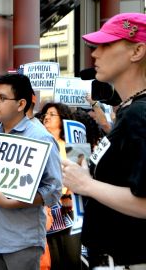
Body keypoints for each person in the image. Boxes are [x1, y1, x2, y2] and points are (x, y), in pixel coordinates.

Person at [61, 13, 146, 268]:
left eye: (106, 44)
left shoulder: (138, 114)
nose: (95, 53)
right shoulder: (130, 110)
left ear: (137, 51)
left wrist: (87, 184)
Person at [0, 74, 62, 270]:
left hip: (22, 241)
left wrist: (13, 203)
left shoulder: (41, 139)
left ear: (21, 104)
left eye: (2, 98)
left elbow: (53, 189)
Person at [40, 103, 81, 270]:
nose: (46, 117)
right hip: (46, 210)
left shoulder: (74, 142)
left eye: (52, 114)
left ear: (62, 119)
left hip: (69, 209)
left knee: (71, 259)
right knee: (53, 261)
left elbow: (84, 176)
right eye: (45, 114)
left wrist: (69, 193)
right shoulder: (39, 142)